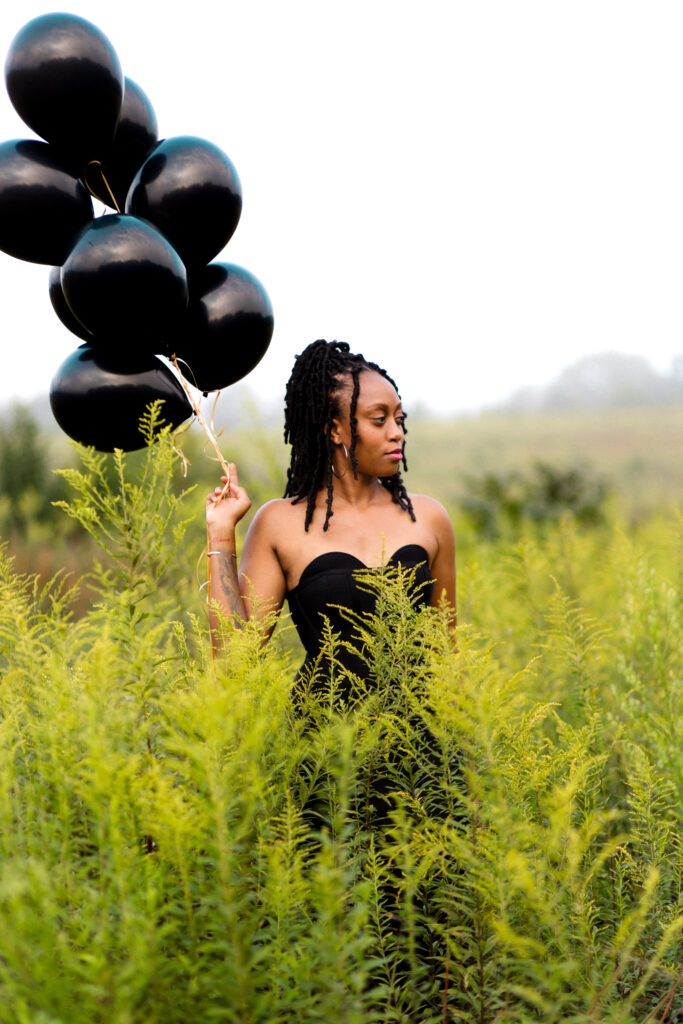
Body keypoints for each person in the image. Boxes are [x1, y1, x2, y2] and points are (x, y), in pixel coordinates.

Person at [205, 339, 456, 682]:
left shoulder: (428, 518)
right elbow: (236, 661)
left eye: (399, 419)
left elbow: (449, 656)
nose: (397, 433)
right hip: (324, 733)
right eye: (379, 419)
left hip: (421, 733)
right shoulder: (279, 523)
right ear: (334, 429)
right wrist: (221, 532)